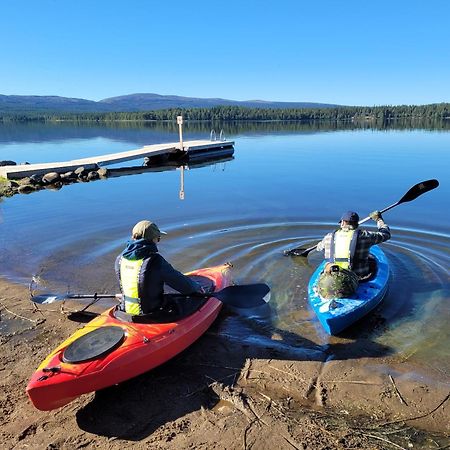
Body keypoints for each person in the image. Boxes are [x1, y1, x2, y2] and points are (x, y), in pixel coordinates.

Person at [115, 220, 204, 315]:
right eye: (158, 238)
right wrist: (198, 288)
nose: (158, 241)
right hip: (151, 313)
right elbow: (184, 285)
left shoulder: (120, 259)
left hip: (125, 310)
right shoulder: (155, 261)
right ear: (152, 239)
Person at [315, 210, 391, 298]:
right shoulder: (365, 236)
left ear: (343, 223)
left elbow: (319, 248)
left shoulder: (329, 237)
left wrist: (323, 245)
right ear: (357, 224)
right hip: (359, 277)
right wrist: (379, 220)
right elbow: (386, 234)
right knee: (372, 262)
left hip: (331, 278)